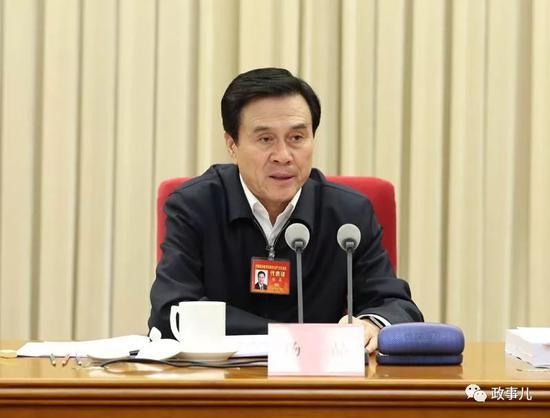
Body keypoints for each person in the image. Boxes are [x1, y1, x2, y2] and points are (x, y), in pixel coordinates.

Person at [148, 67, 423, 353]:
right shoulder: (194, 206)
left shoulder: (348, 215)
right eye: (265, 139)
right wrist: (291, 338)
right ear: (232, 145)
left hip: (318, 375)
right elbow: (170, 312)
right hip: (221, 377)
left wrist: (371, 324)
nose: (283, 156)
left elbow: (396, 305)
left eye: (297, 138)